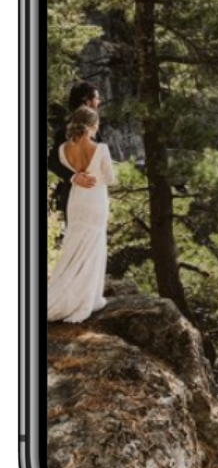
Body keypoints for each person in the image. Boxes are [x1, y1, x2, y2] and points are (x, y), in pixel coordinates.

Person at [47, 106, 117, 323]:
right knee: (93, 247)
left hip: (76, 200)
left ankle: (65, 293)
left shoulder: (62, 150)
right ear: (92, 126)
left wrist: (78, 176)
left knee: (74, 246)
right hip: (95, 200)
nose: (98, 128)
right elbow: (111, 179)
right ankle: (88, 297)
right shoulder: (101, 149)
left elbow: (66, 170)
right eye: (97, 124)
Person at [48, 81, 102, 222]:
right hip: (72, 195)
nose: (99, 102)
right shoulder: (64, 132)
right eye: (96, 98)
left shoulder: (95, 131)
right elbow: (52, 162)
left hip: (94, 197)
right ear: (86, 101)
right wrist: (74, 177)